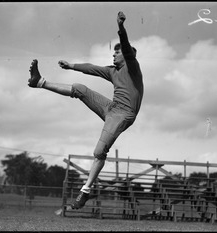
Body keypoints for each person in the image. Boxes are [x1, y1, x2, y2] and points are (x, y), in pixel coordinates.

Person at [28, 11, 144, 209]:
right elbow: (92, 68)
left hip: (123, 114)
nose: (113, 54)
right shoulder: (112, 71)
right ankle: (39, 82)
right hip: (111, 107)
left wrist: (121, 27)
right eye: (114, 52)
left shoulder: (132, 67)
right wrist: (71, 65)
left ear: (126, 56)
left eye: (117, 52)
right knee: (80, 89)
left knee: (99, 151)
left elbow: (124, 45)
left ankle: (85, 192)